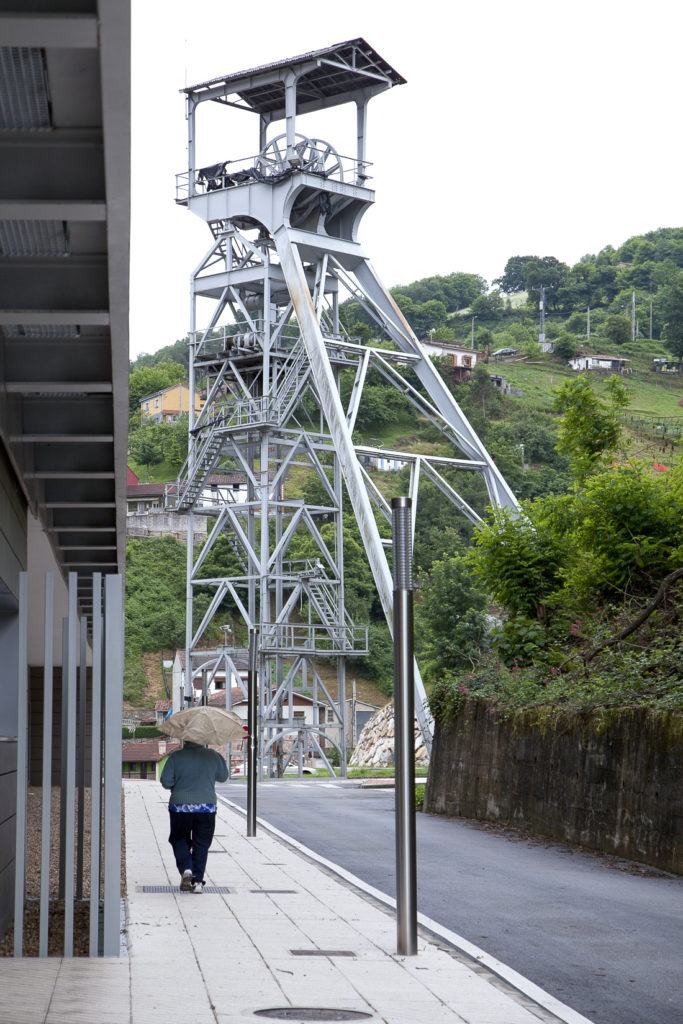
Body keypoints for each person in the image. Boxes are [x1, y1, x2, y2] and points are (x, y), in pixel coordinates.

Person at [160, 740, 228, 893]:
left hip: (180, 805)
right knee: (202, 843)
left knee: (179, 838)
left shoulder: (176, 757)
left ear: (185, 738)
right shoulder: (213, 755)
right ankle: (197, 881)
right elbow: (223, 776)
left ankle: (186, 868)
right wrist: (217, 758)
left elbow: (166, 781)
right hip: (207, 807)